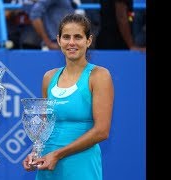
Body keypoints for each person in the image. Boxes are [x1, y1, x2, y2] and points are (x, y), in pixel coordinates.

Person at [22, 13, 114, 180]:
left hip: (80, 165)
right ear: (59, 40)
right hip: (48, 163)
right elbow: (44, 127)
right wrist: (35, 153)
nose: (71, 42)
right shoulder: (48, 77)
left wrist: (58, 154)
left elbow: (102, 131)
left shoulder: (99, 75)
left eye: (78, 37)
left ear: (88, 40)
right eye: (66, 37)